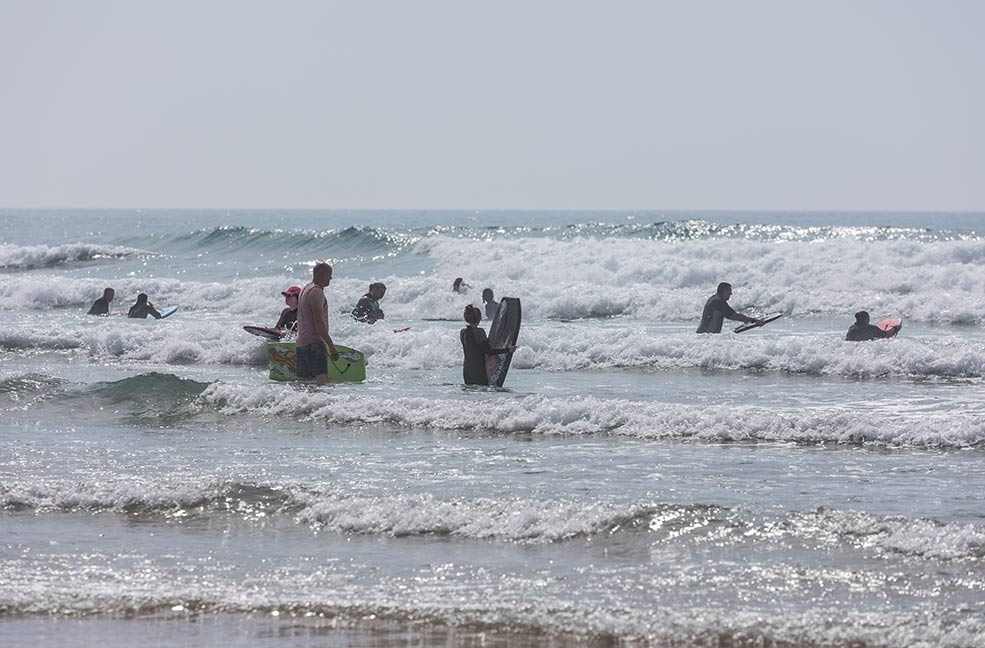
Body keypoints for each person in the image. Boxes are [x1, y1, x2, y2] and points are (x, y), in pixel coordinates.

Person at [295, 263, 339, 384]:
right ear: (323, 274)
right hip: (314, 343)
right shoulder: (316, 292)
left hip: (301, 343)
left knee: (305, 383)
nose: (331, 278)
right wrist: (331, 347)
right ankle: (326, 403)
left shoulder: (305, 289)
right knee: (323, 381)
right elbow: (319, 323)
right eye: (329, 275)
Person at [460, 304, 516, 386]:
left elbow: (475, 348)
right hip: (478, 371)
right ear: (479, 318)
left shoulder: (463, 332)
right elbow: (489, 351)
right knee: (482, 395)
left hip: (467, 371)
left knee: (470, 394)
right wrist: (508, 349)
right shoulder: (480, 332)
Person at [696, 282, 764, 333]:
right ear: (724, 291)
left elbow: (731, 315)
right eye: (729, 291)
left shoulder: (713, 299)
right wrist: (754, 321)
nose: (731, 294)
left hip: (703, 336)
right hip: (707, 337)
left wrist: (746, 320)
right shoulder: (718, 302)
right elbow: (734, 316)